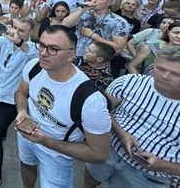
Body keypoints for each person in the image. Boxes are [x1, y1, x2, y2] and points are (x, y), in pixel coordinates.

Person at [14, 25, 111, 188]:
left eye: (53, 49)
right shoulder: (34, 66)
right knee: (26, 164)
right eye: (42, 45)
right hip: (26, 136)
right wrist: (22, 111)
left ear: (71, 55)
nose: (43, 53)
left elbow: (99, 154)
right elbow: (21, 92)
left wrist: (47, 142)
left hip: (57, 155)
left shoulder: (91, 100)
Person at [84, 46, 180, 188]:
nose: (165, 76)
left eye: (176, 74)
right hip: (108, 152)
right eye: (160, 69)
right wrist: (122, 134)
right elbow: (102, 109)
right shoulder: (130, 82)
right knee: (90, 180)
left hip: (148, 176)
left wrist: (164, 165)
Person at [0, 17, 38, 188]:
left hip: (12, 100)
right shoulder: (3, 39)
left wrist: (18, 40)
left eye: (21, 30)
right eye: (14, 27)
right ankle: (2, 132)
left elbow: (29, 53)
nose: (15, 32)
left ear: (30, 33)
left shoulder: (32, 49)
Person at [63, 0, 130, 57]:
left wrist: (93, 35)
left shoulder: (119, 21)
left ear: (109, 2)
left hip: (97, 61)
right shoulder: (83, 13)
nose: (94, 1)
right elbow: (65, 24)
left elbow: (118, 48)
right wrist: (82, 10)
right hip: (74, 56)